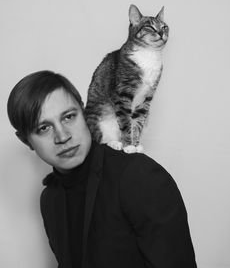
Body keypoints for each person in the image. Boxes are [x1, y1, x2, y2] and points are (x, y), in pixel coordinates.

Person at [7, 70, 197, 268]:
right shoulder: (50, 200)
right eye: (44, 128)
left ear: (83, 112)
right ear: (25, 140)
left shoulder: (138, 177)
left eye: (69, 117)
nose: (63, 136)